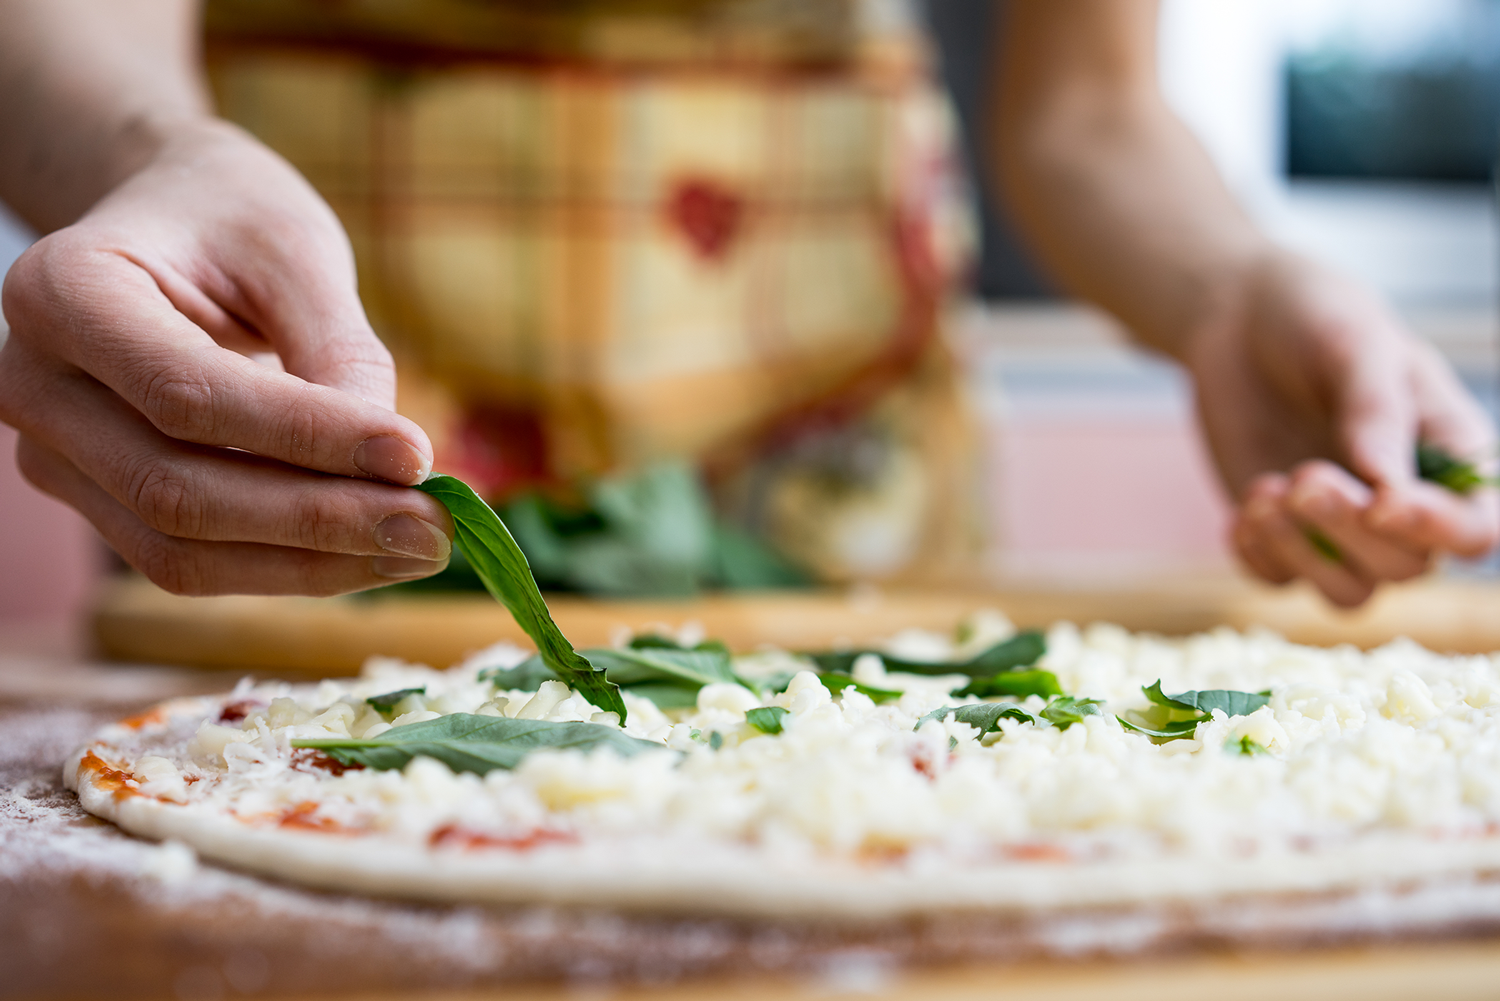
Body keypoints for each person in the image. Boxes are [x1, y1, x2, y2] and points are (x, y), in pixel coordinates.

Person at [0, 0, 1493, 607]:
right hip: (295, 459)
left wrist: (1230, 290)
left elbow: (1088, 112)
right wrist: (155, 154)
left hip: (855, 509)